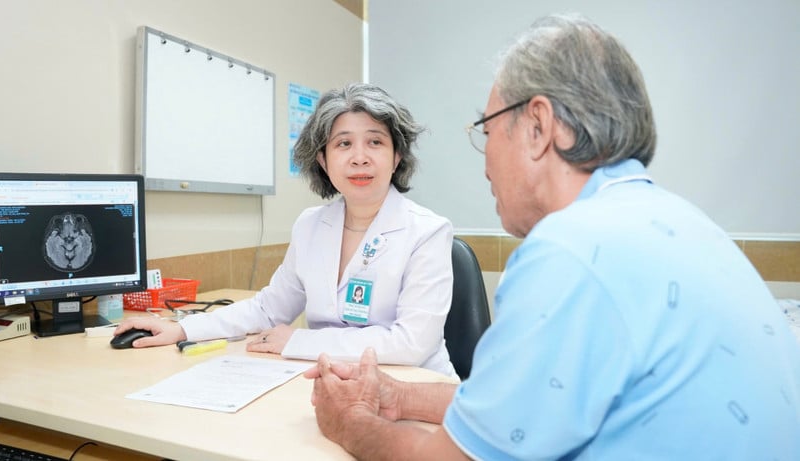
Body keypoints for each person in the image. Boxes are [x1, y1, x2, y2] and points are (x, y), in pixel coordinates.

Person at [303, 14, 800, 460]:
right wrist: (396, 395)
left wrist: (349, 422)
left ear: (539, 127)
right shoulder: (673, 219)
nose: (485, 160)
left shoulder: (571, 252)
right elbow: (525, 399)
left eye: (488, 129)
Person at [114, 83, 457, 377]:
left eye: (375, 142)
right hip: (332, 380)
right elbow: (267, 309)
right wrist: (181, 328)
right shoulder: (310, 225)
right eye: (343, 144)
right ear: (322, 160)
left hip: (414, 389)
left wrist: (297, 341)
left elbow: (411, 344)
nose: (359, 157)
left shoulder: (427, 231)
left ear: (397, 157)